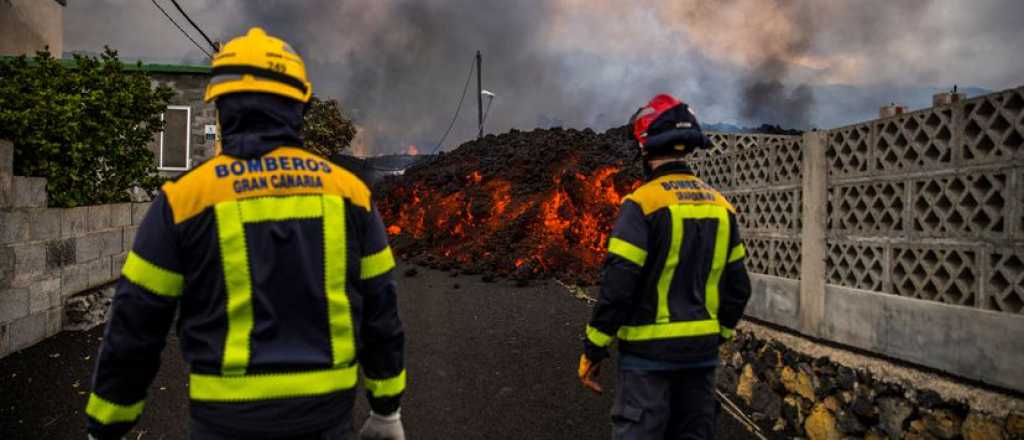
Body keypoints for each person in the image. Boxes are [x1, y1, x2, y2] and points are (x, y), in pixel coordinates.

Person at [85, 28, 406, 440]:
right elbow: (382, 310)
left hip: (223, 423)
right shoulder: (349, 194)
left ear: (220, 105)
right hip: (325, 419)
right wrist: (386, 409)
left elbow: (135, 321)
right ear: (300, 106)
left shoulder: (184, 200)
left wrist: (106, 424)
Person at [578, 94, 752, 439]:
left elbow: (617, 287)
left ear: (644, 149)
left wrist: (594, 348)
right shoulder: (721, 207)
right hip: (701, 358)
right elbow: (739, 288)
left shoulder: (642, 205)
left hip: (647, 360)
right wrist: (718, 334)